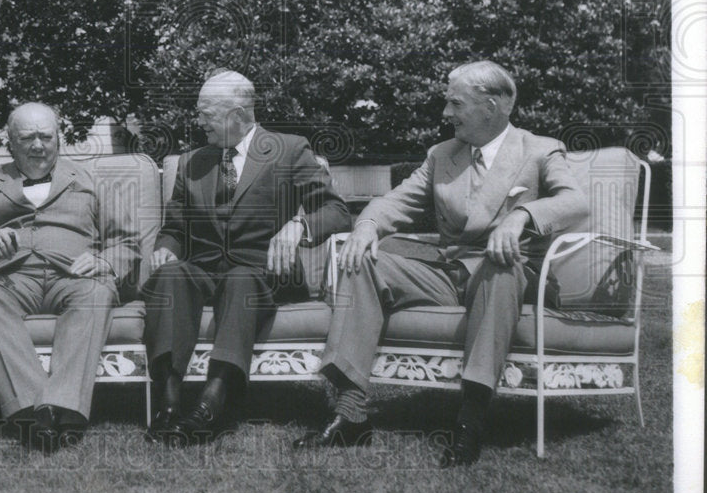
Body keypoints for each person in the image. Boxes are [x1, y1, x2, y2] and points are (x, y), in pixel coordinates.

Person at [294, 61, 588, 467]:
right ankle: (351, 413)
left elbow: (576, 202)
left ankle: (470, 420)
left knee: (500, 267)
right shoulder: (442, 154)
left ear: (492, 106)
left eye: (455, 103)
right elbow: (396, 200)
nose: (445, 114)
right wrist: (366, 226)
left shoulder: (539, 148)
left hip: (515, 273)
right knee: (361, 260)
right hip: (451, 272)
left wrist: (522, 217)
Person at [143, 70, 352, 446]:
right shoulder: (192, 161)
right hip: (205, 270)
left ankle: (212, 403)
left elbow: (336, 211)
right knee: (170, 276)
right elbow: (175, 228)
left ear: (237, 115)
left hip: (264, 272)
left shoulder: (289, 149)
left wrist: (298, 227)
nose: (199, 121)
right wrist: (166, 249)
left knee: (240, 278)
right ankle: (170, 404)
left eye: (207, 113)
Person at [0, 102, 140, 453]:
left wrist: (104, 260)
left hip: (74, 275)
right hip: (13, 277)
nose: (38, 145)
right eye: (28, 137)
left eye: (46, 136)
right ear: (11, 142)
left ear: (59, 138)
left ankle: (65, 409)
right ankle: (30, 411)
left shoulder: (90, 178)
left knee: (95, 294)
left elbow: (128, 239)